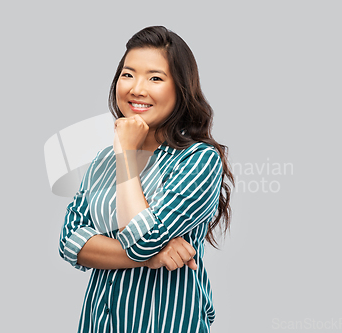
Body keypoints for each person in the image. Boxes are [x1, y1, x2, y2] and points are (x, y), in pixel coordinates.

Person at [58, 25, 235, 333]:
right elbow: (70, 242)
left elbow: (142, 241)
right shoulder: (103, 160)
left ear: (180, 89)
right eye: (128, 74)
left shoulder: (199, 160)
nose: (136, 88)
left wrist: (126, 153)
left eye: (155, 78)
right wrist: (151, 257)